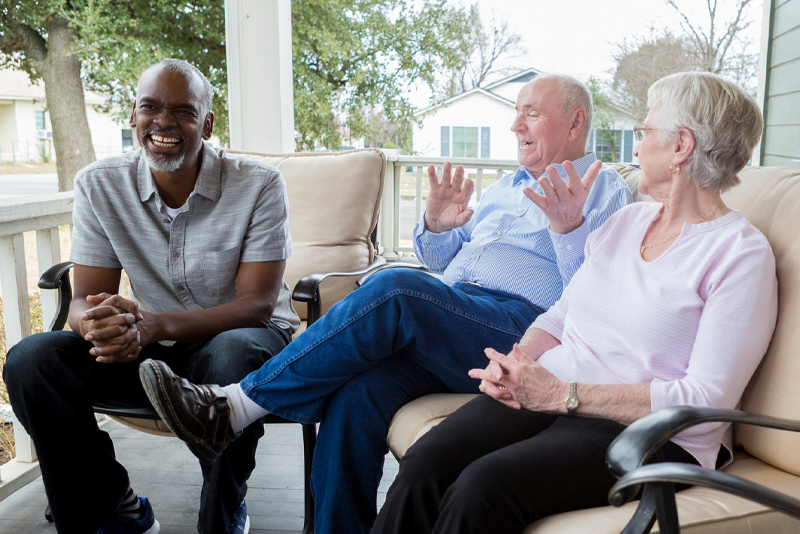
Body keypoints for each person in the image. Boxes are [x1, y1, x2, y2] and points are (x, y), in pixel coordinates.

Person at [138, 74, 632, 534]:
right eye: (517, 111)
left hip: (520, 332)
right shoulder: (506, 188)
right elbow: (441, 264)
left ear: (575, 121)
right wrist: (438, 228)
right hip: (457, 317)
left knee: (397, 288)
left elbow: (597, 297)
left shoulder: (604, 190)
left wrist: (567, 230)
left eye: (531, 113)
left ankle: (234, 406)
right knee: (355, 396)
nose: (515, 123)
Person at [369, 71, 779, 534]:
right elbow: (563, 313)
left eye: (644, 133)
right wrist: (517, 364)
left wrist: (562, 395)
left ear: (681, 147)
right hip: (556, 392)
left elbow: (705, 399)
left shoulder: (739, 254)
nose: (636, 147)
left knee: (482, 487)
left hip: (643, 430)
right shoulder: (628, 222)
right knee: (428, 461)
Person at [3, 59, 299, 534]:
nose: (164, 122)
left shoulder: (258, 184)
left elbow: (257, 306)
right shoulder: (100, 186)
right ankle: (109, 507)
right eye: (151, 108)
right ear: (133, 115)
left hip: (243, 343)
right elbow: (84, 300)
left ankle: (222, 516)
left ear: (207, 122)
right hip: (150, 355)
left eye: (183, 111)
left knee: (233, 351)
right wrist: (99, 325)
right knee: (31, 361)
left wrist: (154, 325)